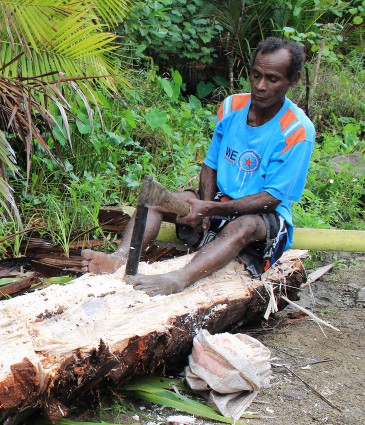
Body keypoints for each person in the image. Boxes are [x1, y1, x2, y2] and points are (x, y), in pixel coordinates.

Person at [81, 37, 315, 296]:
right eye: (256, 75)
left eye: (272, 79)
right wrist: (204, 205)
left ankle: (178, 279)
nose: (260, 86)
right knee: (155, 199)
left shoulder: (297, 130)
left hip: (264, 218)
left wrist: (211, 208)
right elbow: (211, 165)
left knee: (243, 226)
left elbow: (271, 199)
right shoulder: (232, 107)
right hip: (217, 201)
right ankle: (121, 257)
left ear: (292, 79)